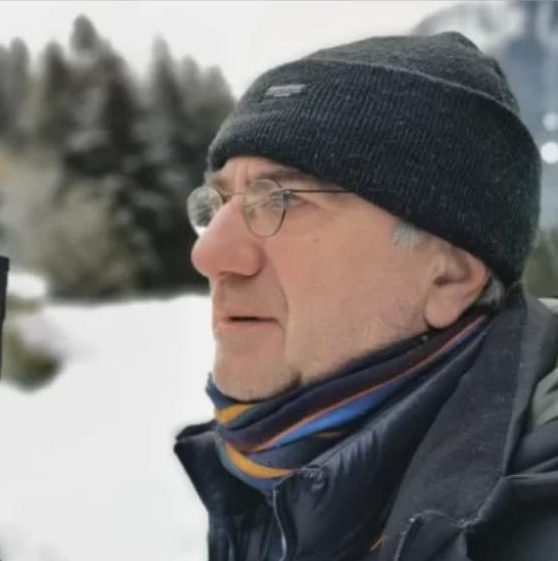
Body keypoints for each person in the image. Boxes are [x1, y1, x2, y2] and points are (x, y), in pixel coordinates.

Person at [175, 31, 558, 561]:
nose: (209, 253)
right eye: (218, 203)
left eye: (283, 198)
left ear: (448, 277)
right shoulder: (269, 468)